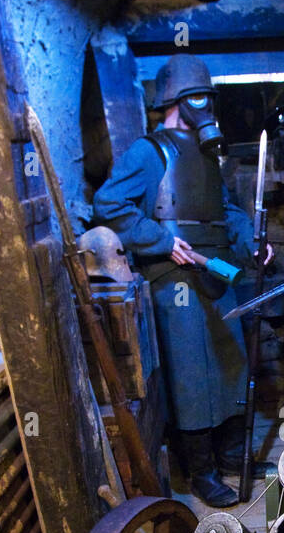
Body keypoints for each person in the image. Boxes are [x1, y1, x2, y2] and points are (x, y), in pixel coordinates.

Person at [93, 55, 270, 507]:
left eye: (209, 98)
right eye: (199, 98)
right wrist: (159, 239)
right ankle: (200, 472)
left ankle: (230, 454)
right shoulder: (147, 152)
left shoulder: (208, 153)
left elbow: (225, 209)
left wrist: (250, 240)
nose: (207, 107)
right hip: (173, 275)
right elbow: (110, 203)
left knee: (230, 363)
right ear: (175, 101)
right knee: (192, 375)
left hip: (217, 271)